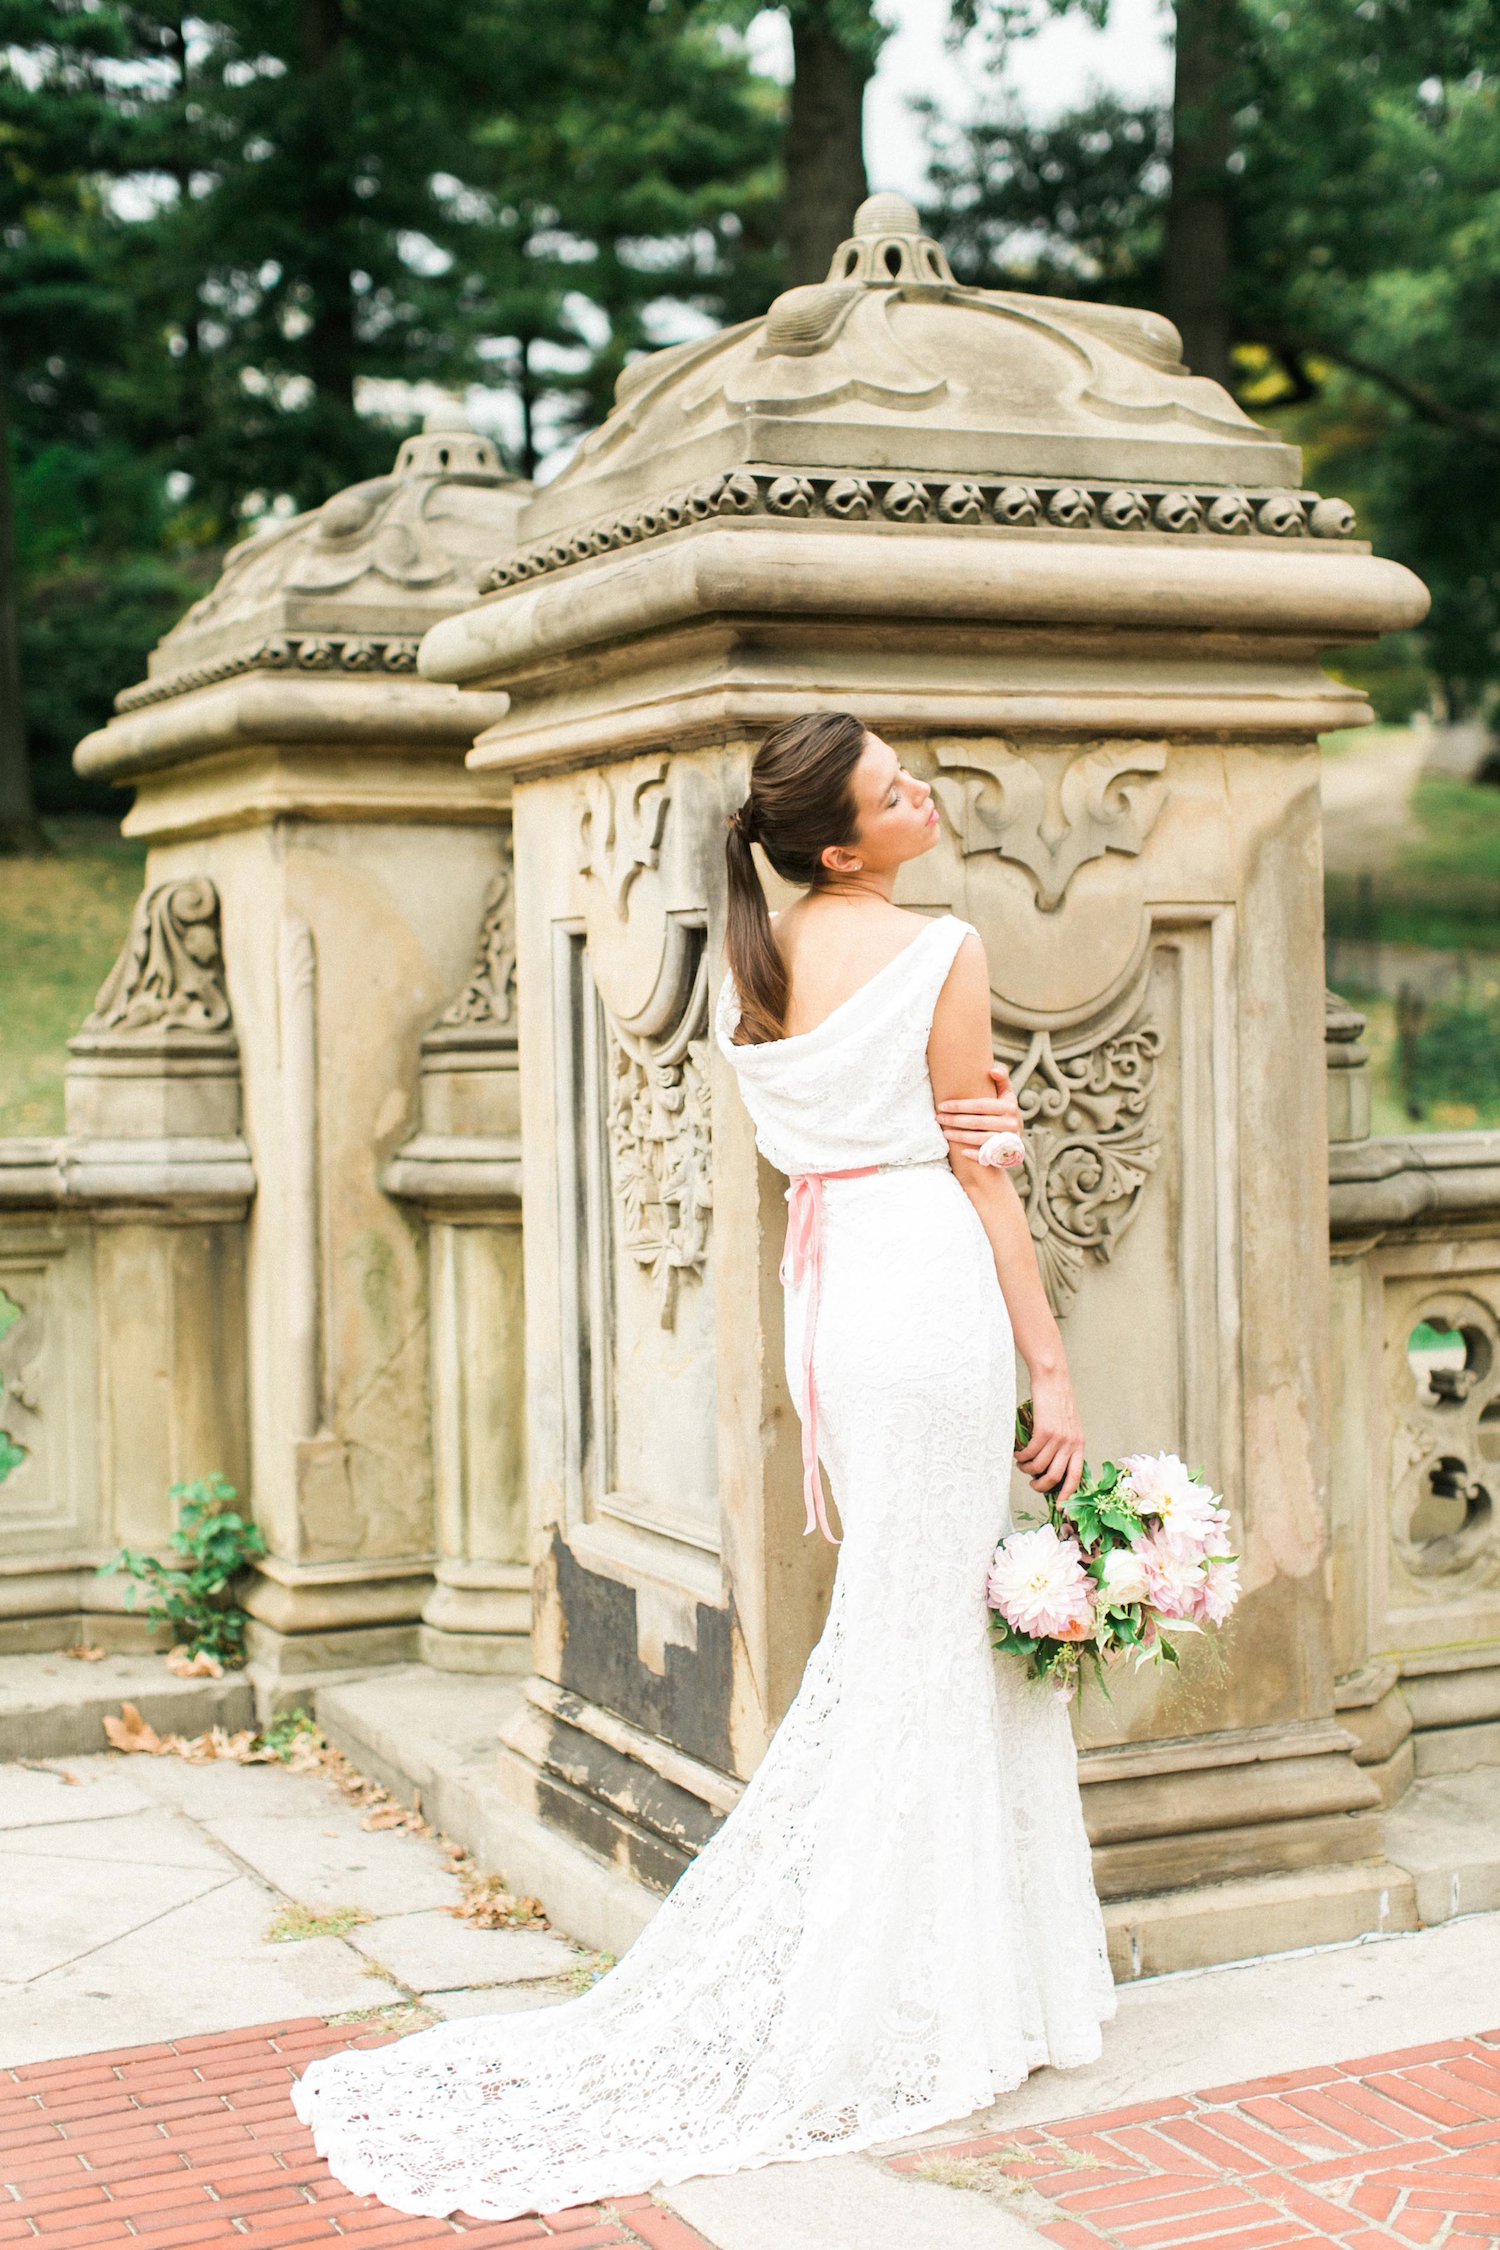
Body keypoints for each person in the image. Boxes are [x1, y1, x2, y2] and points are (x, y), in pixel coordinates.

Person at [291, 710, 1115, 2224]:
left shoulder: (763, 958)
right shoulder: (941, 951)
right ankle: (910, 1997)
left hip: (842, 1306)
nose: (922, 787)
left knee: (906, 1631)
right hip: (928, 1292)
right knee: (936, 1636)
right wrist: (1050, 1363)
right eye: (893, 786)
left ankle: (944, 1980)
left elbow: (838, 1146)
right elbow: (982, 1166)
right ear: (845, 842)